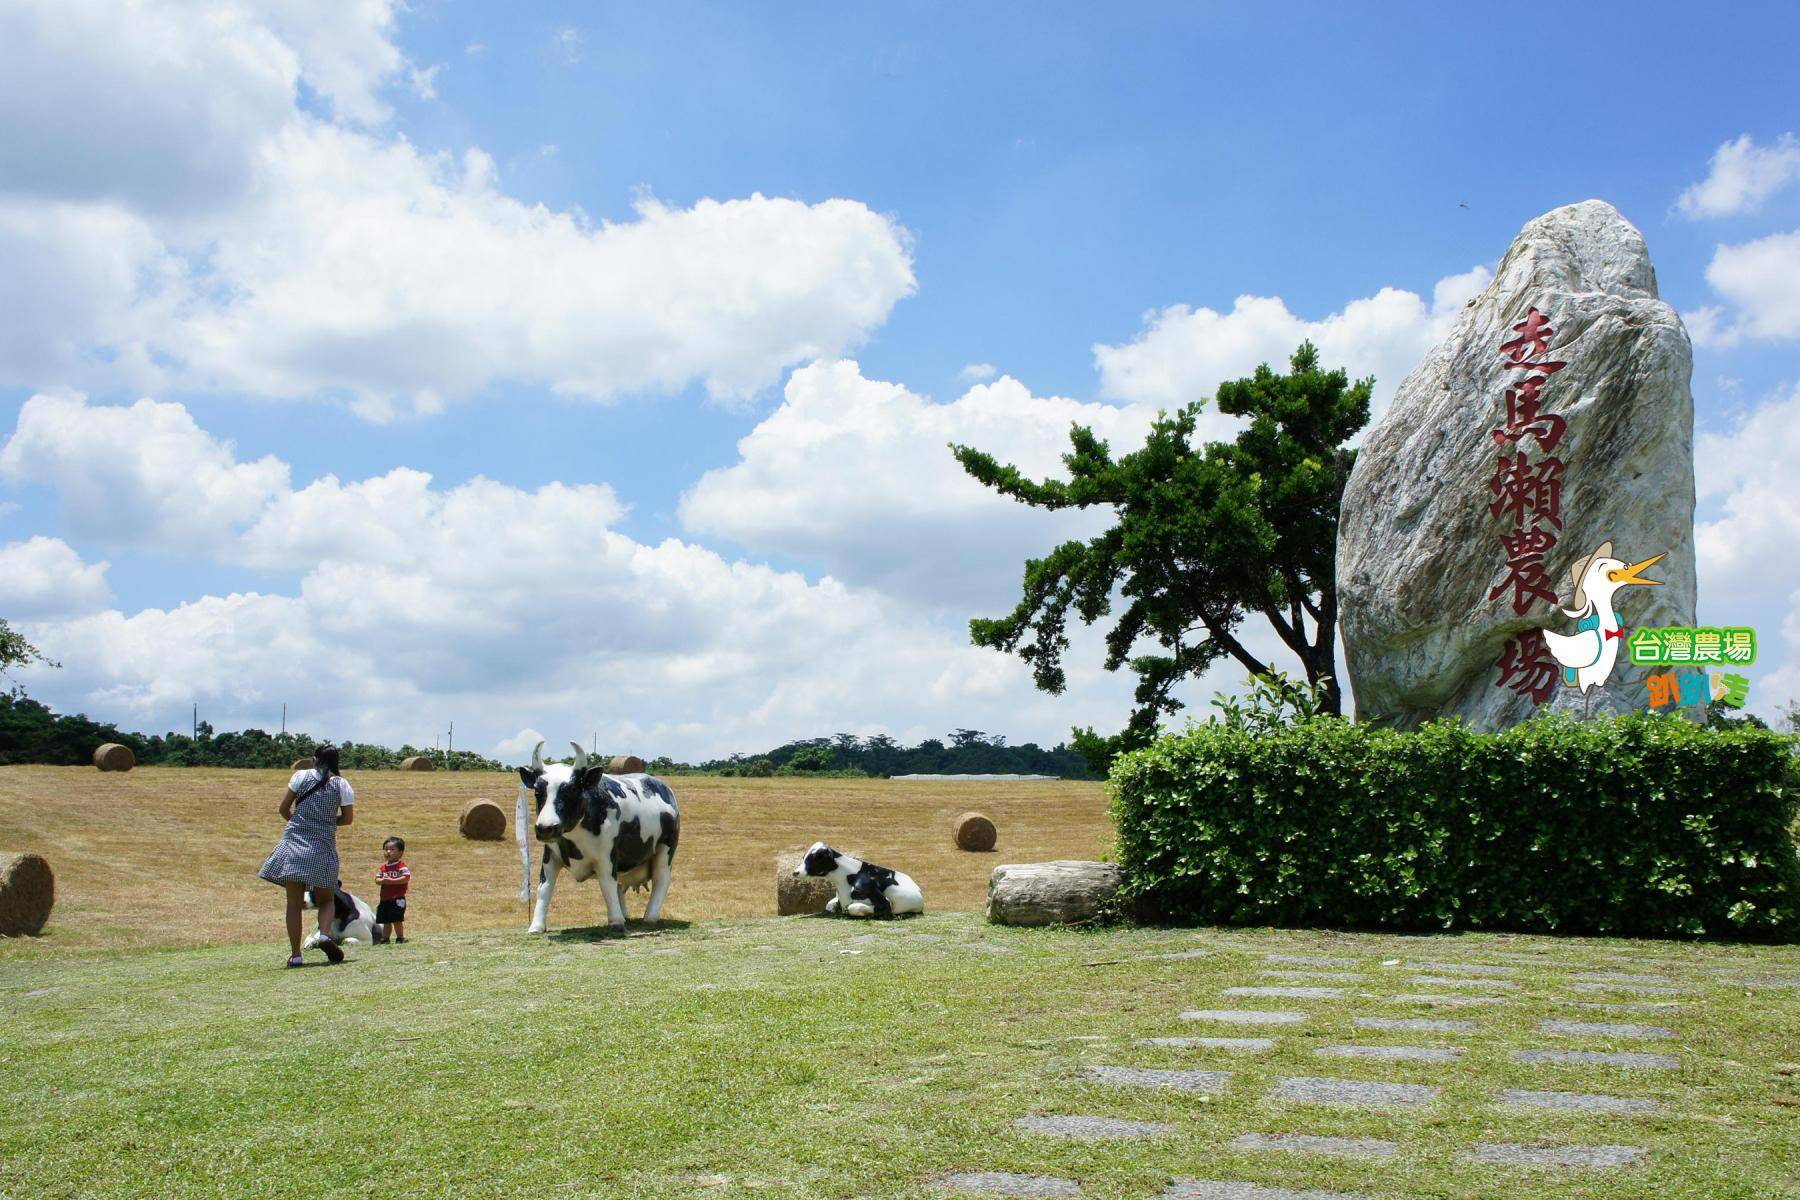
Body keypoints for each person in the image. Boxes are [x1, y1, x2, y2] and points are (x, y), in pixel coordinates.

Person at [258, 744, 355, 967]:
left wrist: (300, 822)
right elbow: (348, 819)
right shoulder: (342, 784)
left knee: (293, 903)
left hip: (295, 844)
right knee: (327, 899)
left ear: (315, 759)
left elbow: (283, 808)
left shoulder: (301, 776)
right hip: (323, 847)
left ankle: (296, 955)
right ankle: (324, 934)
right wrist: (327, 822)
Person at [374, 836, 410, 944]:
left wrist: (391, 881)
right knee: (386, 920)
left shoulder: (401, 865)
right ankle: (385, 938)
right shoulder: (383, 868)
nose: (388, 852)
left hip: (397, 898)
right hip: (384, 899)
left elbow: (406, 877)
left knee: (397, 919)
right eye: (386, 849)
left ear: (400, 852)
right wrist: (382, 880)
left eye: (392, 849)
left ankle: (400, 937)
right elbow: (376, 879)